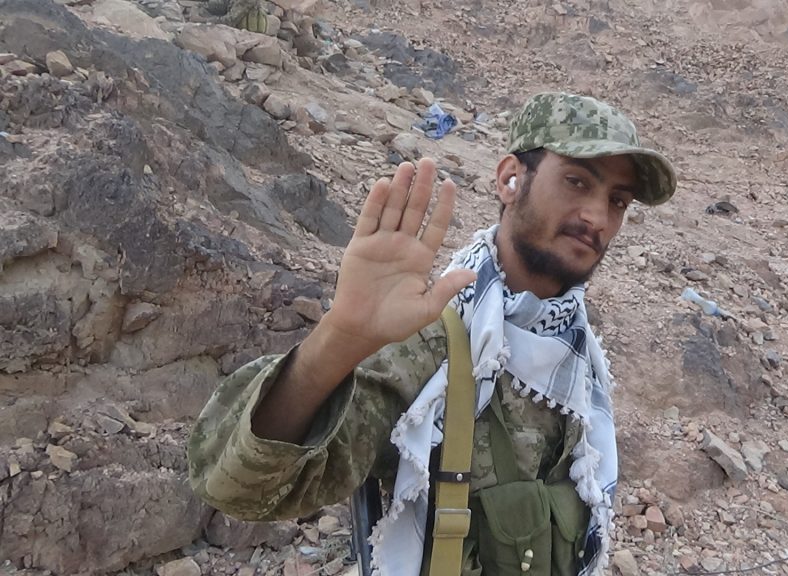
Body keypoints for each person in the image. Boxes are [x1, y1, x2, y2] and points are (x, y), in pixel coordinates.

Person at [187, 92, 677, 575]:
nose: (597, 217)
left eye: (617, 201)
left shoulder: (581, 358)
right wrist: (341, 336)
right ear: (511, 178)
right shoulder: (431, 344)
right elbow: (236, 488)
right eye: (576, 182)